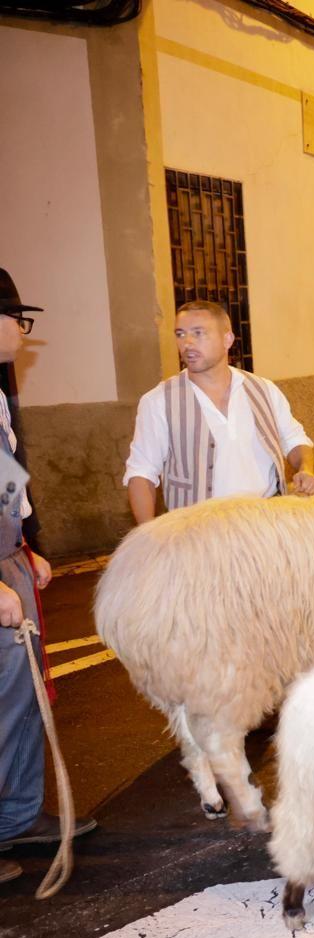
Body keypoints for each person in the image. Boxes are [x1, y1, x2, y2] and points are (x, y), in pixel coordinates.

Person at [0, 270, 96, 883]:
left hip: (7, 561)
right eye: (17, 319)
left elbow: (8, 475)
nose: (21, 331)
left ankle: (15, 816)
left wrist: (24, 545)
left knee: (19, 700)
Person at [125, 300, 314, 523]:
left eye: (198, 333)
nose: (187, 343)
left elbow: (294, 440)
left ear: (227, 339)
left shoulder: (263, 390)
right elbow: (141, 474)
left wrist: (306, 469)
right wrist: (150, 539)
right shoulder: (159, 401)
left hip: (268, 524)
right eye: (180, 334)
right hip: (197, 531)